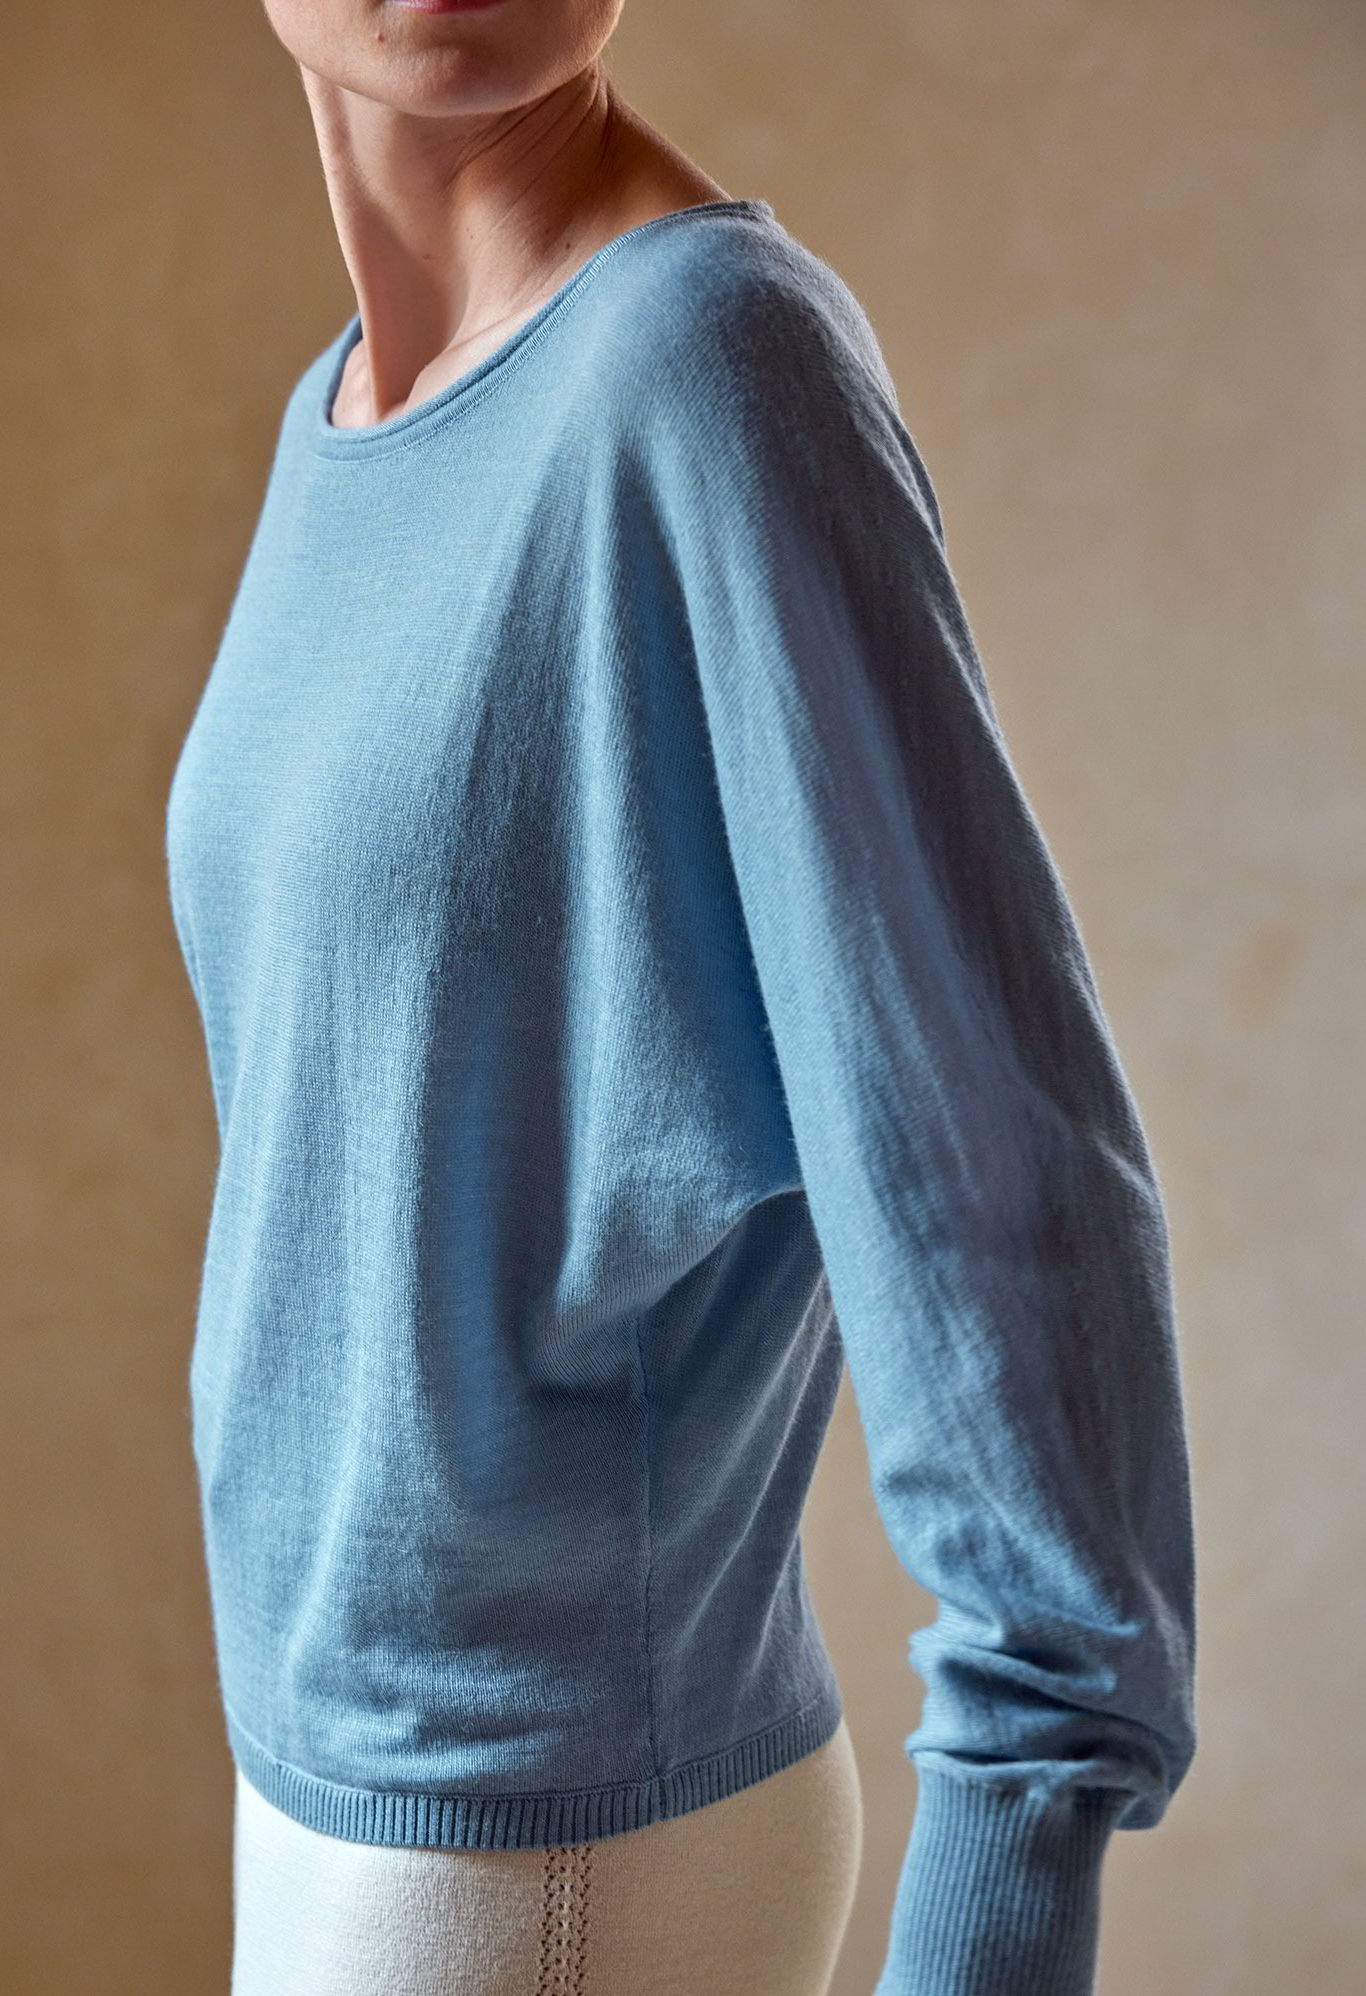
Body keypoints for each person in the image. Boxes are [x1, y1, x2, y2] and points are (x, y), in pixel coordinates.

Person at [163, 3, 1199, 1992]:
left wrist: (1021, 1842)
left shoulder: (710, 357)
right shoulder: (347, 414)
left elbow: (1001, 1177)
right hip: (316, 1794)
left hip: (556, 1853)